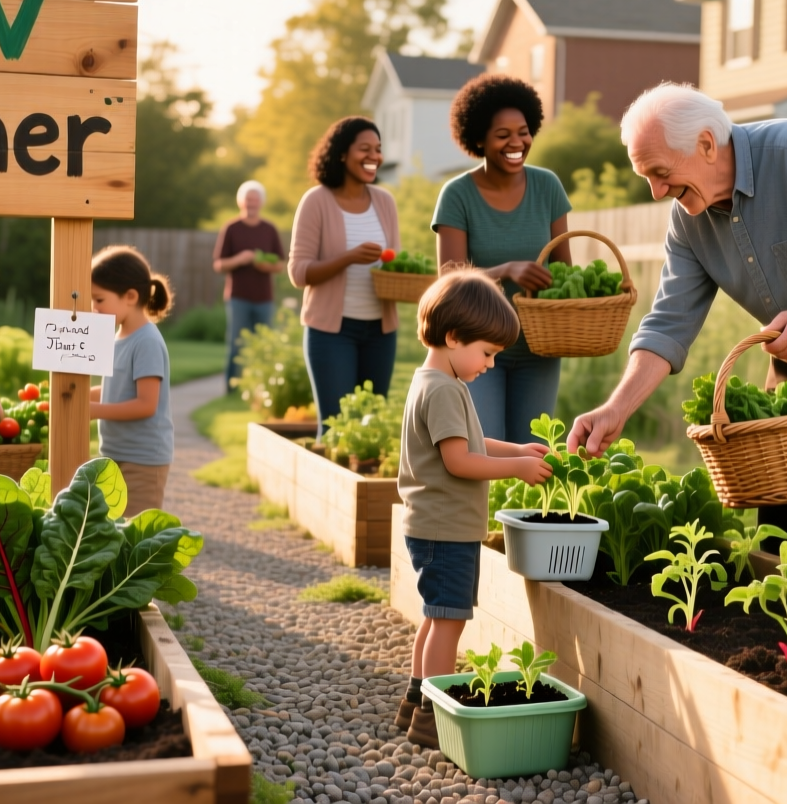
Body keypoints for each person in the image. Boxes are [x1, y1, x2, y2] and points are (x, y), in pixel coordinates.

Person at [568, 83, 787, 571]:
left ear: (707, 144)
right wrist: (616, 408)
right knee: (786, 509)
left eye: (660, 172)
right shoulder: (687, 221)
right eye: (645, 177)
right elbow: (669, 324)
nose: (656, 191)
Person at [394, 268, 553, 747]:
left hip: (434, 526)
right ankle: (435, 718)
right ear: (453, 337)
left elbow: (475, 441)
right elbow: (459, 460)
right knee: (450, 621)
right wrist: (516, 471)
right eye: (486, 353)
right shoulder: (443, 389)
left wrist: (518, 450)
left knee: (435, 617)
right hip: (445, 530)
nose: (489, 364)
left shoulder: (436, 381)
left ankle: (416, 702)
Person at [434, 75, 572, 444]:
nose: (516, 143)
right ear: (478, 138)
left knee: (534, 451)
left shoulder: (547, 187)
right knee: (485, 448)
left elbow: (565, 270)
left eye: (523, 132)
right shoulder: (457, 195)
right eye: (502, 135)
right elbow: (448, 280)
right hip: (478, 345)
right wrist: (505, 271)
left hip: (539, 346)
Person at [288, 116, 400, 430]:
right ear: (341, 154)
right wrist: (347, 258)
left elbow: (395, 260)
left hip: (381, 332)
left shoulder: (385, 202)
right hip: (331, 333)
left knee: (371, 425)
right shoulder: (316, 201)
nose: (374, 156)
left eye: (378, 149)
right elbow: (298, 273)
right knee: (337, 426)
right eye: (364, 148)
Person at [89, 245, 175, 513]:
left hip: (143, 462)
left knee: (135, 541)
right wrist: (74, 395)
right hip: (116, 454)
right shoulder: (119, 336)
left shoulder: (146, 341)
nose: (94, 308)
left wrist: (91, 411)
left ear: (130, 296)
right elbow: (117, 388)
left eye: (99, 300)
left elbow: (145, 403)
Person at [213, 180, 286, 394]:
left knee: (265, 346)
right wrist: (241, 259)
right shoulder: (231, 228)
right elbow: (218, 264)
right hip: (238, 298)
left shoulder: (269, 229)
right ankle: (232, 390)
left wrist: (264, 265)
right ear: (240, 202)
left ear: (260, 202)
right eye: (247, 199)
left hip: (264, 298)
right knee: (236, 344)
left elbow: (280, 264)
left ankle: (263, 389)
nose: (251, 203)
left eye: (254, 200)